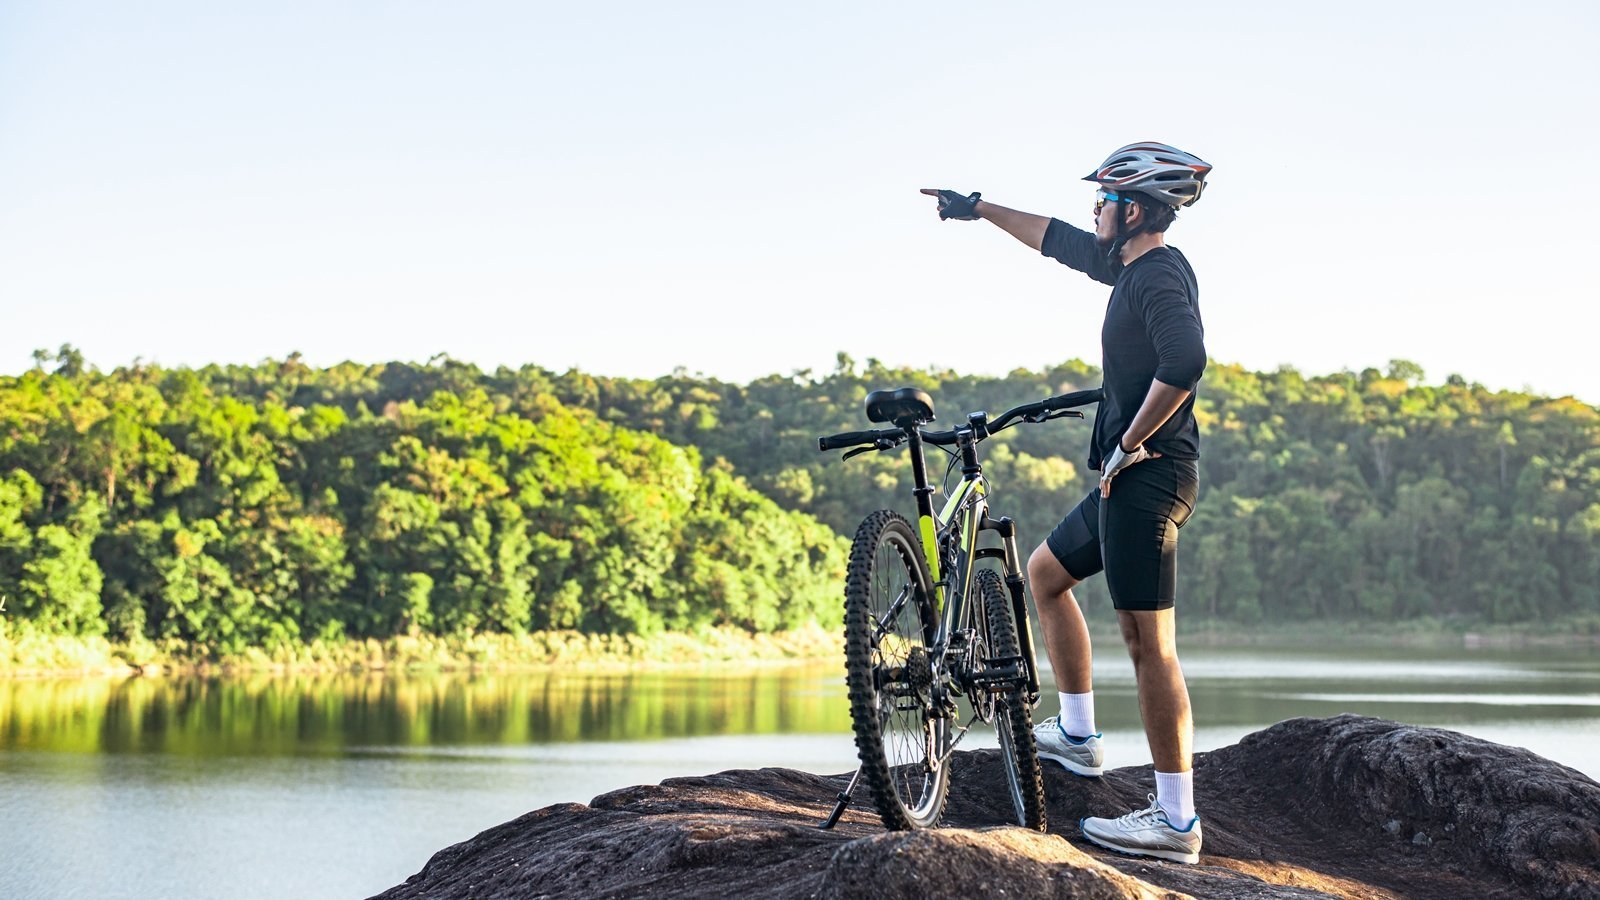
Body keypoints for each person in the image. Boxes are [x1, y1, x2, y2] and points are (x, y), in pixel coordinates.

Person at [921, 142, 1211, 864]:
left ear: (1134, 209)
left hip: (1147, 478)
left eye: (1105, 200)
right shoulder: (1129, 266)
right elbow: (1058, 240)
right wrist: (979, 208)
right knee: (1046, 576)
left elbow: (1186, 361)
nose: (1095, 210)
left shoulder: (1158, 276)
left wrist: (1129, 441)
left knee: (1150, 647)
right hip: (1127, 481)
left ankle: (1177, 823)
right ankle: (1078, 736)